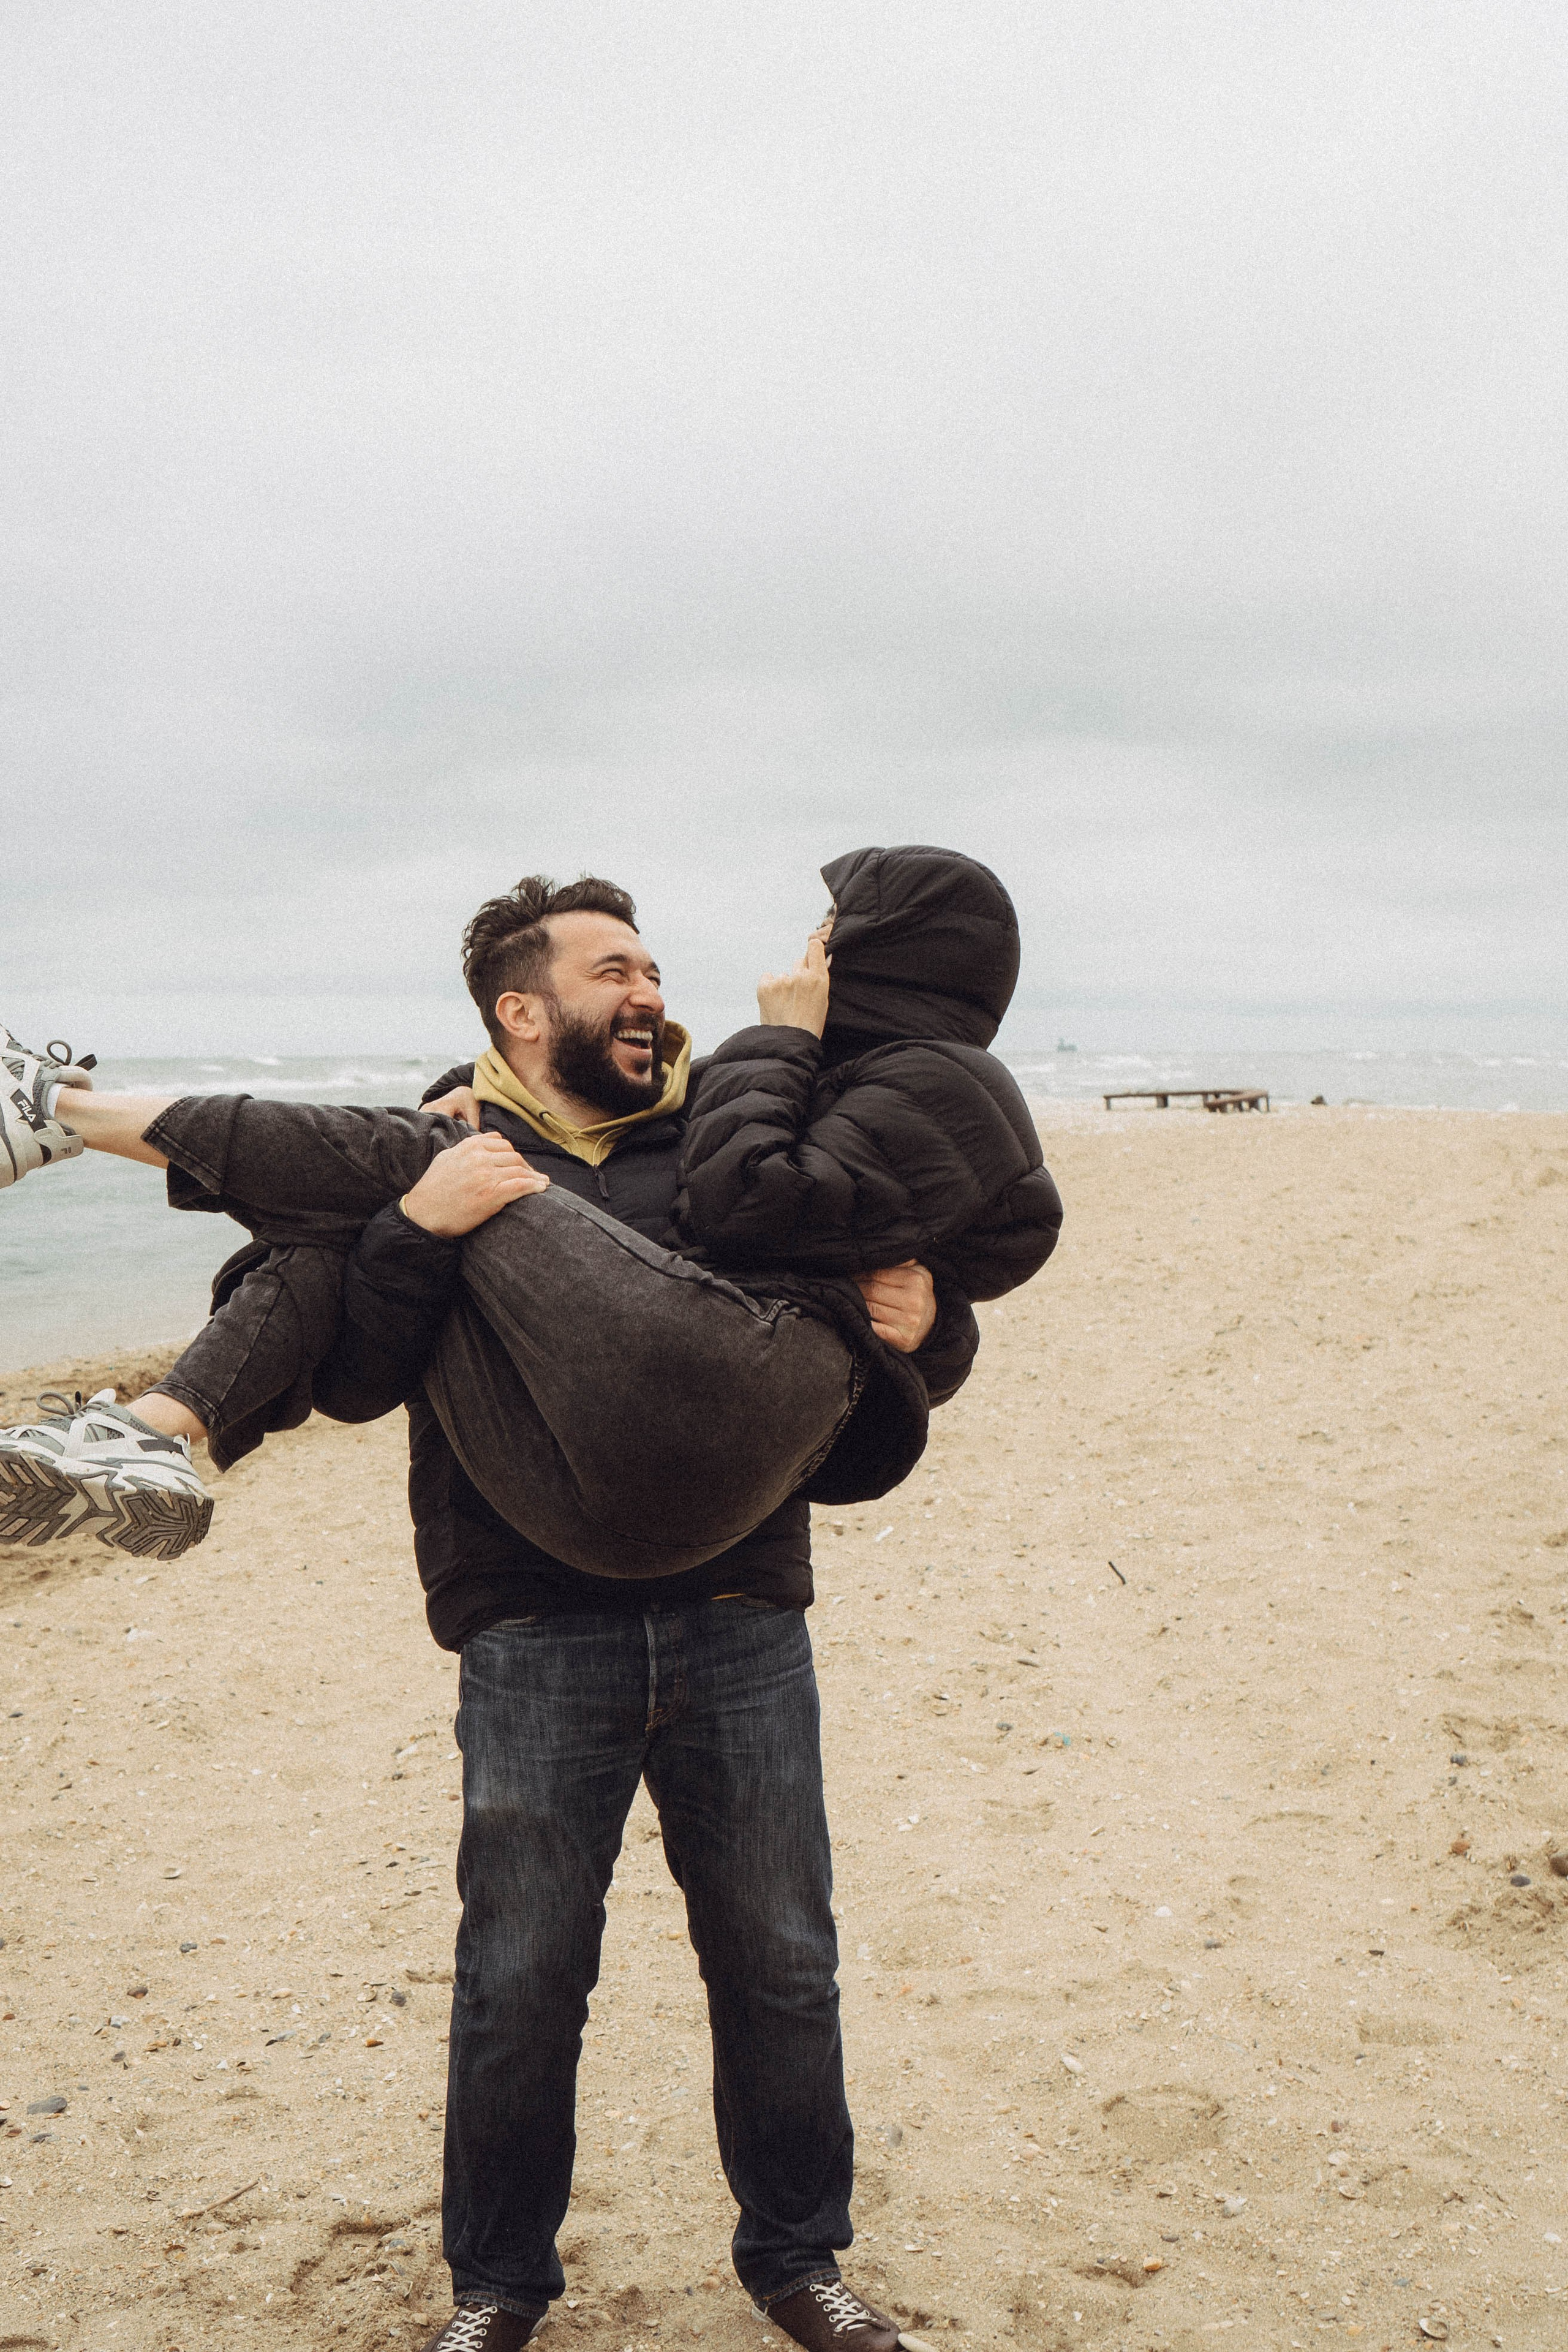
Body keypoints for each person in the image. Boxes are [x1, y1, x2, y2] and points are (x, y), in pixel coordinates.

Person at [1, 849, 1062, 2351]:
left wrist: (933, 1318)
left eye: (653, 970)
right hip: (528, 1611)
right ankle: (497, 2288)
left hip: (740, 1605)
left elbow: (882, 1350)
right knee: (518, 1974)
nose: (650, 994)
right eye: (612, 973)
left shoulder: (736, 1136)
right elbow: (366, 1376)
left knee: (778, 1960)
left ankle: (797, 2259)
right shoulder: (456, 1141)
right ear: (520, 1009)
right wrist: (424, 1226)